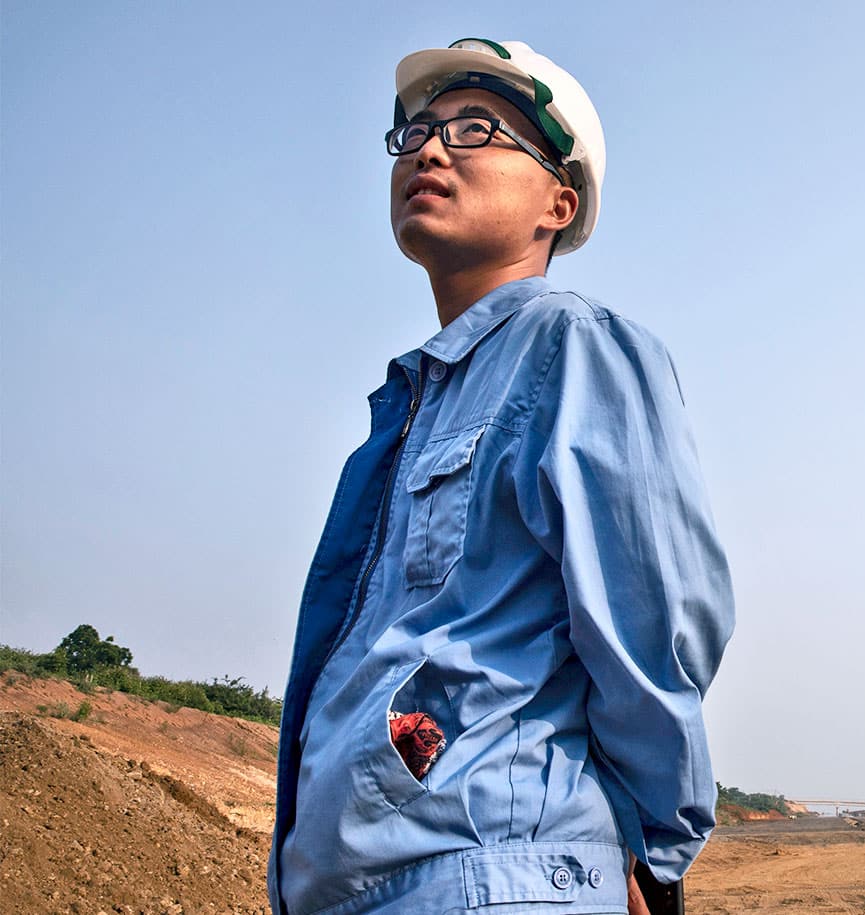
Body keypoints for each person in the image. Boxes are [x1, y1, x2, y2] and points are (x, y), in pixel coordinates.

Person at [267, 38, 735, 915]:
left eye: (477, 128)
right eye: (416, 135)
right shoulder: (408, 407)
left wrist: (653, 850)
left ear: (557, 202)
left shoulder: (571, 347)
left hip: (493, 875)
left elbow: (653, 616)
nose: (432, 149)